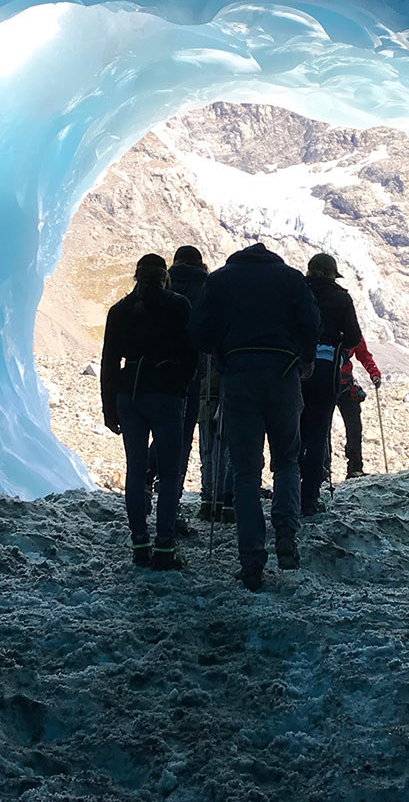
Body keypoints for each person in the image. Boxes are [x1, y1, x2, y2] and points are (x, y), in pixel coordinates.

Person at [188, 242, 320, 591]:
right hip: (284, 374)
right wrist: (305, 357)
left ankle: (251, 563)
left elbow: (198, 330)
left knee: (246, 472)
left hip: (239, 376)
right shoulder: (291, 279)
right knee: (287, 461)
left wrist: (221, 352)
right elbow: (312, 322)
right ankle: (286, 535)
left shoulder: (219, 281)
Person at [100, 253, 197, 571]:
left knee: (136, 469)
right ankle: (165, 547)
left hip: (129, 394)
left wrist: (109, 407)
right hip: (166, 394)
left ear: (137, 277)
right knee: (169, 475)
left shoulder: (119, 310)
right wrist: (182, 384)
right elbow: (190, 354)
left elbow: (109, 363)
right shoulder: (179, 305)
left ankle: (139, 544)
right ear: (164, 276)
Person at [167, 245, 229, 524]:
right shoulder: (210, 288)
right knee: (211, 436)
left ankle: (160, 494)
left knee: (169, 438)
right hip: (203, 374)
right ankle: (214, 498)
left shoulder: (161, 286)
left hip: (160, 374)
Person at [298, 253, 363, 515]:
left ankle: (287, 492)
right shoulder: (340, 297)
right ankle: (310, 498)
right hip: (327, 372)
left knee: (291, 431)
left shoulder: (296, 291)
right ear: (331, 274)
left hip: (293, 370)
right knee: (317, 433)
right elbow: (353, 337)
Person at [336, 337, 382, 477]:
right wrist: (374, 373)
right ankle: (354, 468)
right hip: (343, 384)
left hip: (330, 383)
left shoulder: (324, 326)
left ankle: (324, 470)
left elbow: (363, 354)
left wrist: (374, 373)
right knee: (353, 427)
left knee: (352, 427)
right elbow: (363, 354)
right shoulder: (350, 330)